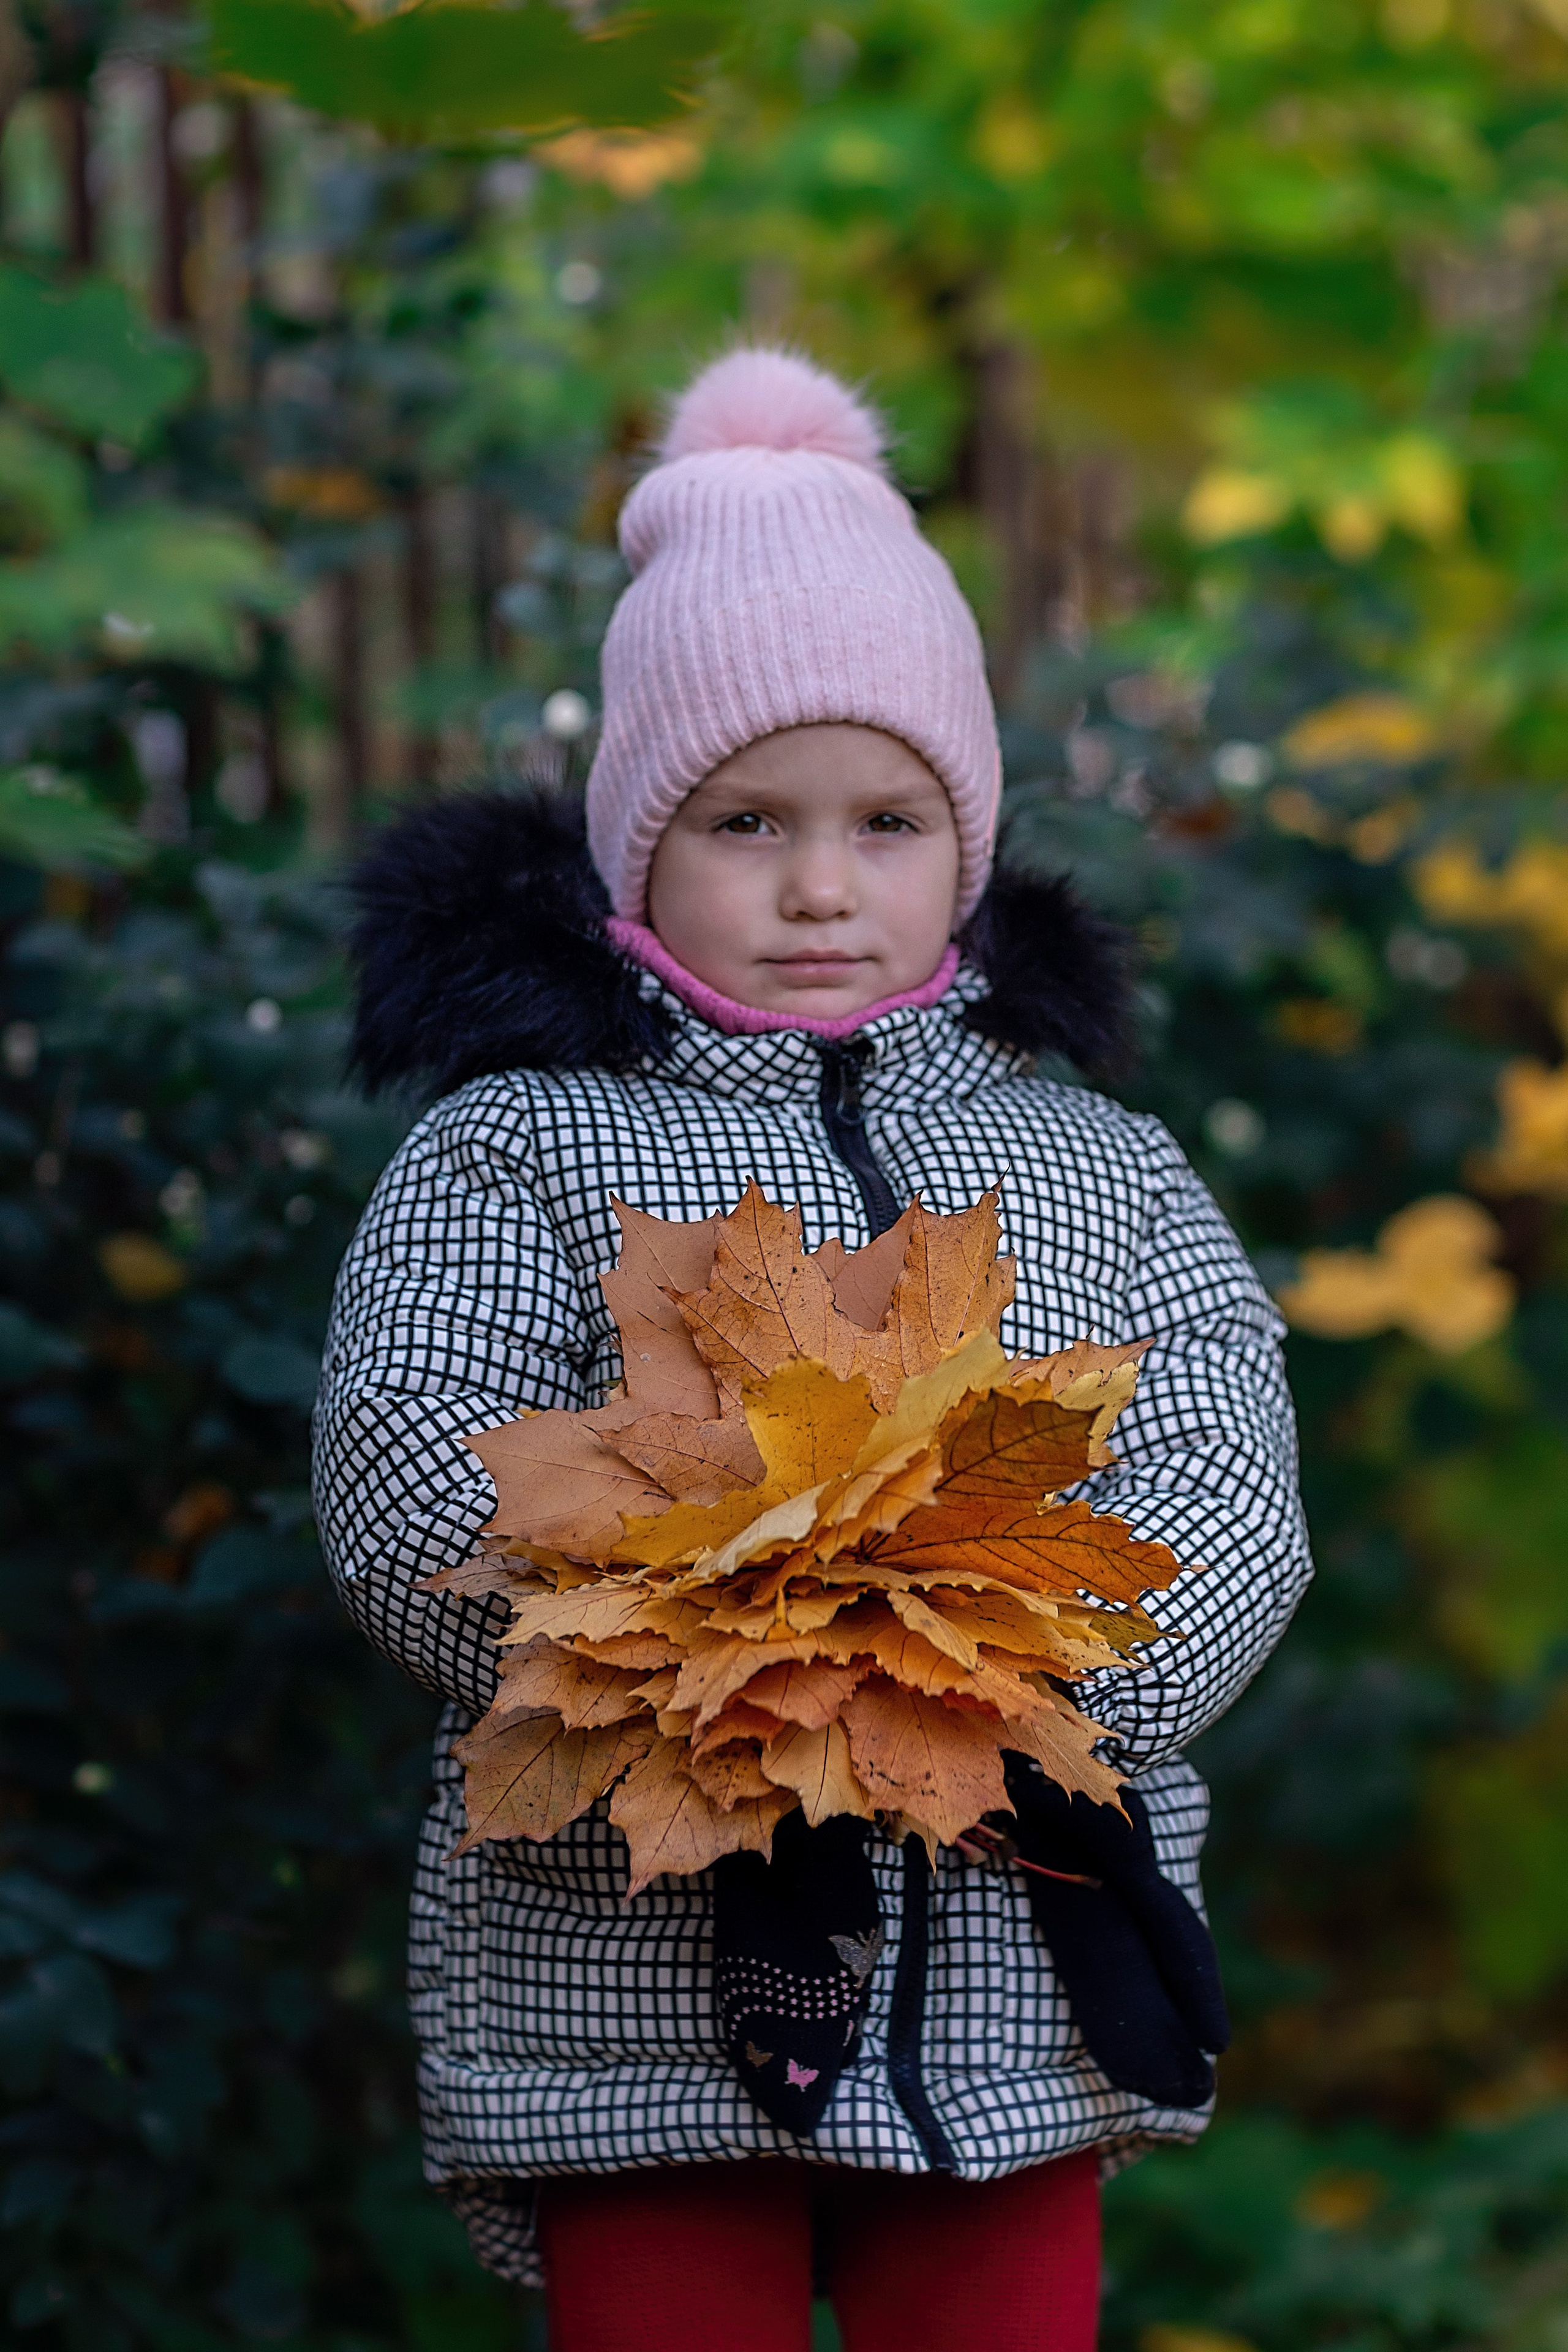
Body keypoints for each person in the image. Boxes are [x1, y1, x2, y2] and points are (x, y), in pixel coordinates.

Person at [314, 347, 1313, 2352]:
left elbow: (1223, 1463)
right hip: (633, 1959)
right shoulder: (518, 1143)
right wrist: (707, 1662)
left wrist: (1000, 1679)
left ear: (968, 837)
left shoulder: (1088, 1161)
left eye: (886, 818)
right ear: (635, 847)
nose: (823, 887)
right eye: (749, 820)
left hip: (1016, 1965)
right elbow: (413, 1453)